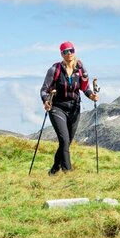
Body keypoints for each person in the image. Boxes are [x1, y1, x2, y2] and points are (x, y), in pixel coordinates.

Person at [40, 41, 98, 175]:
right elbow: (44, 90)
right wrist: (45, 101)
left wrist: (92, 96)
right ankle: (68, 172)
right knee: (64, 140)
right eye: (65, 51)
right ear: (61, 54)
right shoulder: (55, 70)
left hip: (75, 109)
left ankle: (54, 168)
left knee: (67, 142)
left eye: (71, 50)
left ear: (74, 51)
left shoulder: (81, 69)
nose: (69, 53)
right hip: (57, 108)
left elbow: (85, 88)